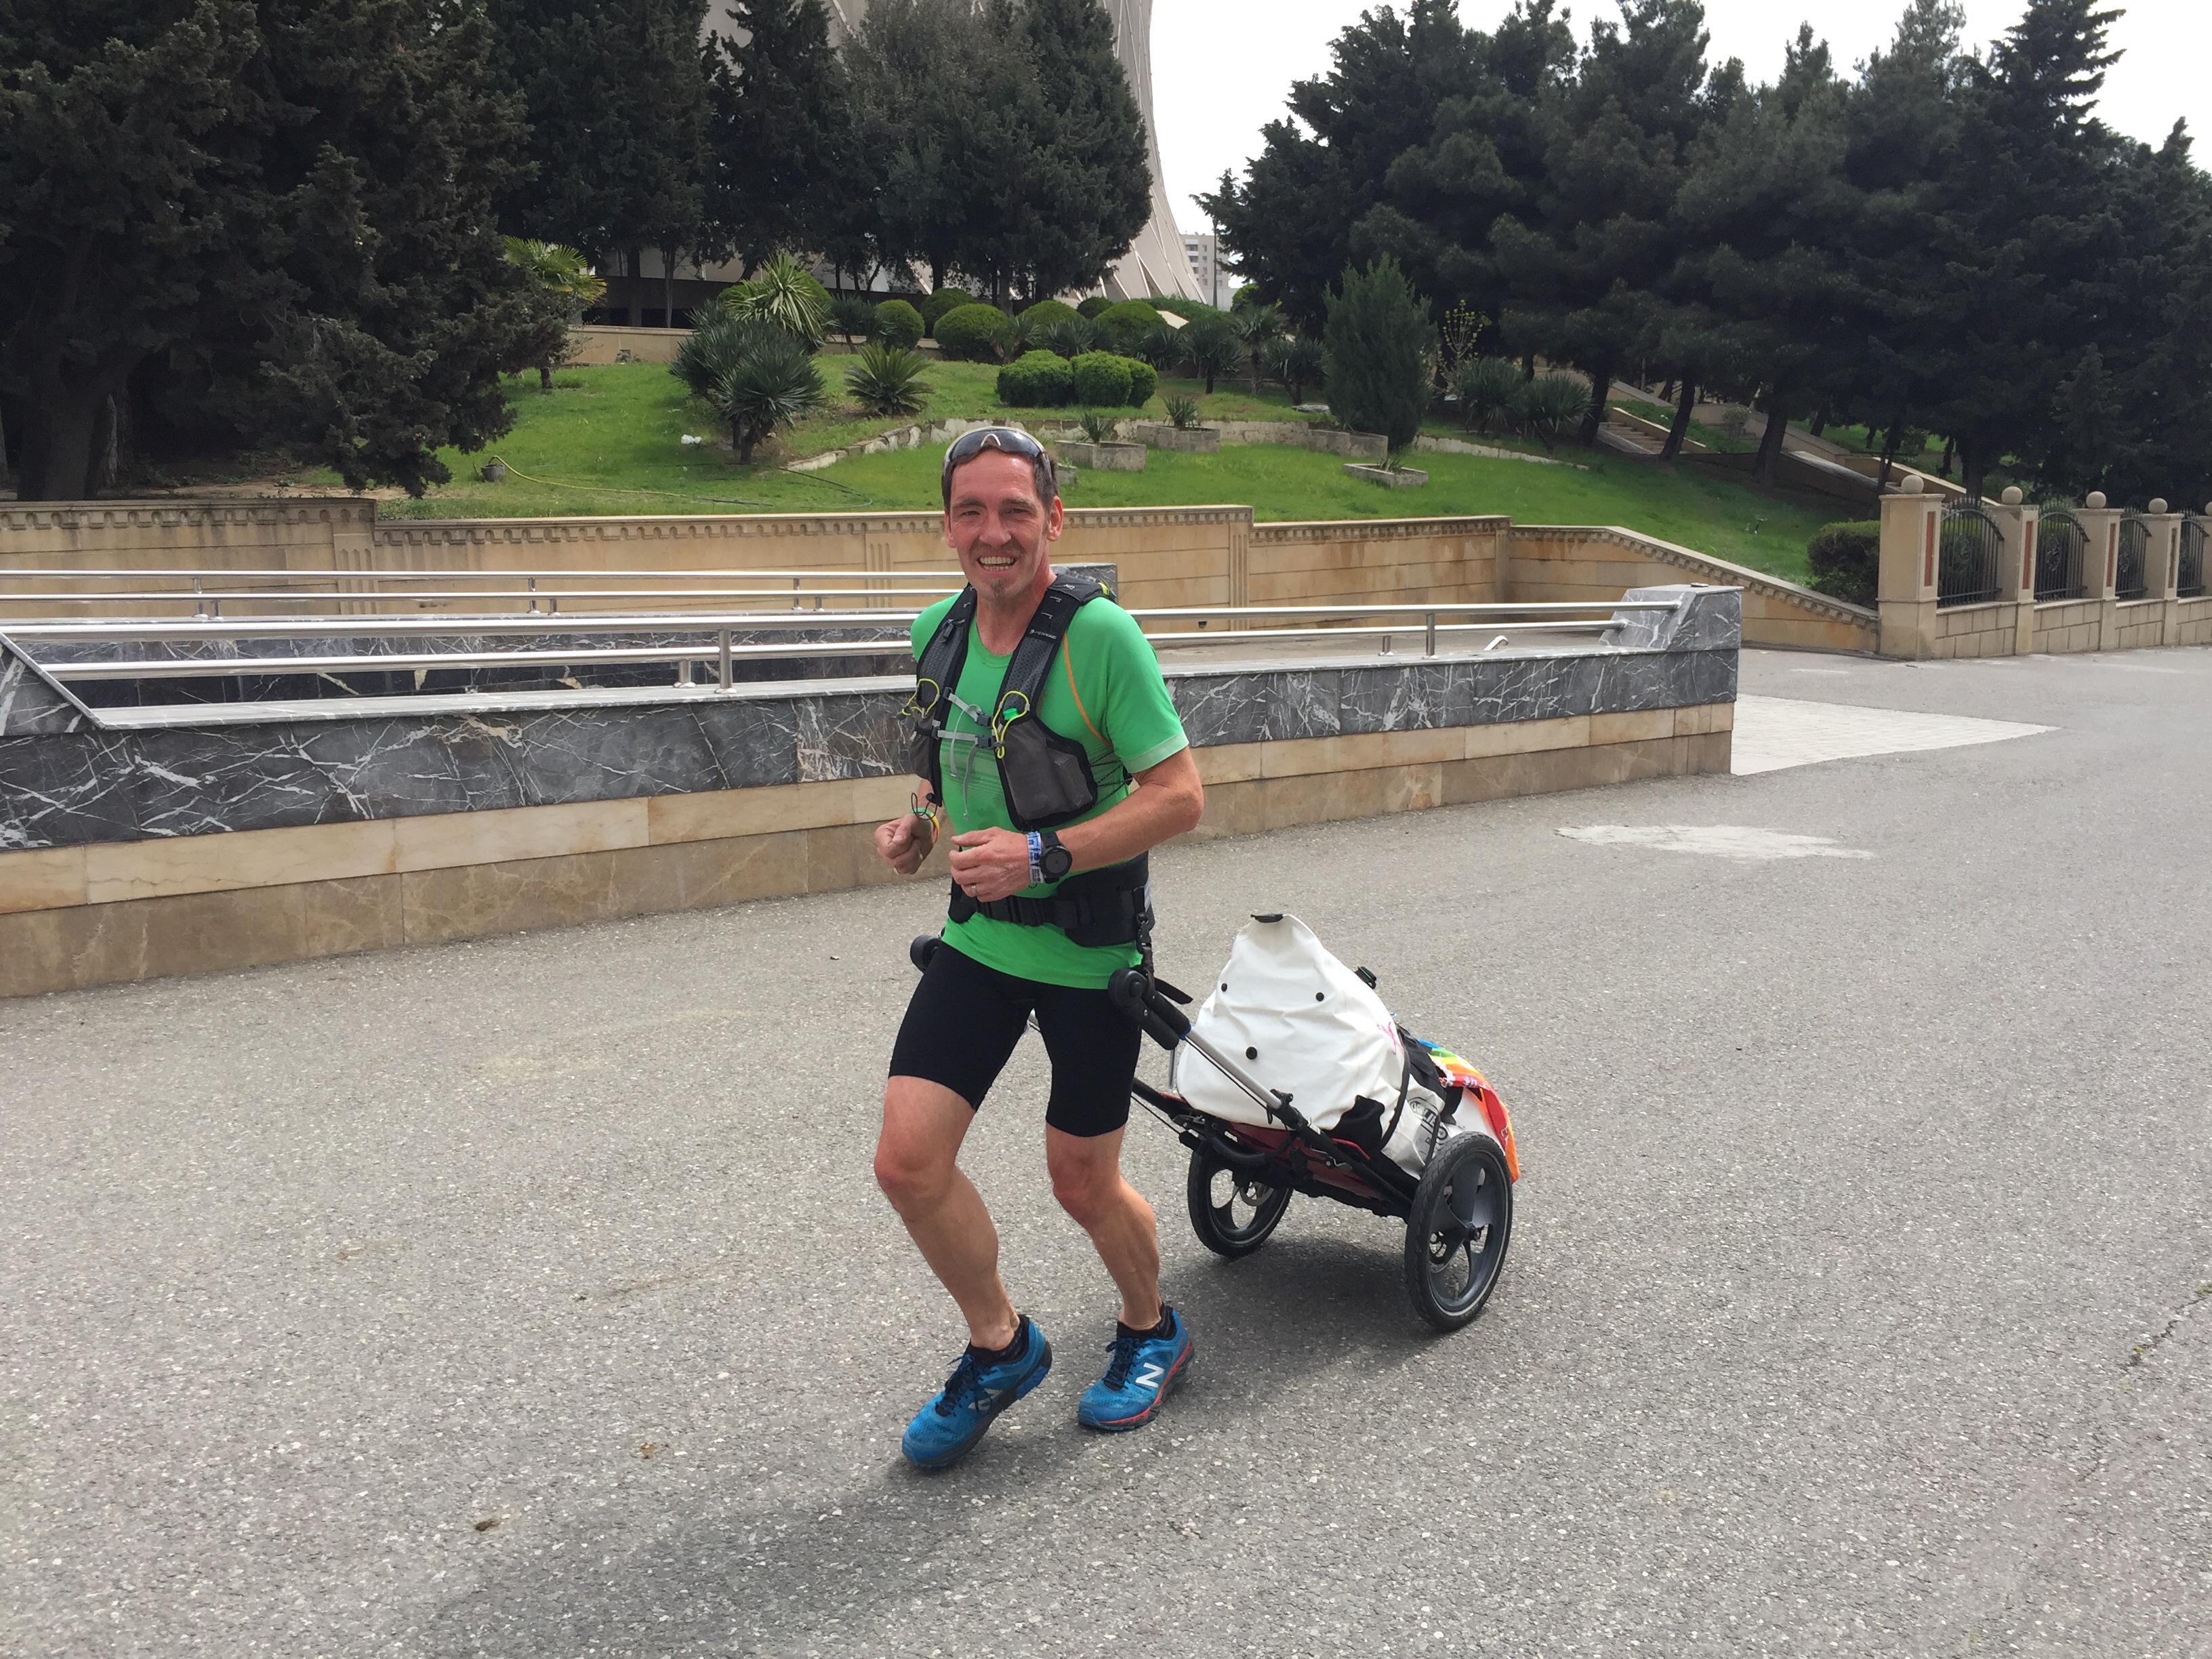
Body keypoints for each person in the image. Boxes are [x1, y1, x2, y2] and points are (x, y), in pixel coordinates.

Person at [872, 427, 1205, 1470]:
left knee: (1081, 1182)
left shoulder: (1102, 639)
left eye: (1015, 510)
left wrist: (1043, 855)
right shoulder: (937, 631)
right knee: (908, 1163)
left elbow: (1179, 797)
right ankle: (1001, 1347)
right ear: (946, 527)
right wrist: (919, 823)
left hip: (1087, 952)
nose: (994, 532)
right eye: (971, 511)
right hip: (980, 940)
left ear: (1054, 519)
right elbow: (946, 760)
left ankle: (1153, 1329)